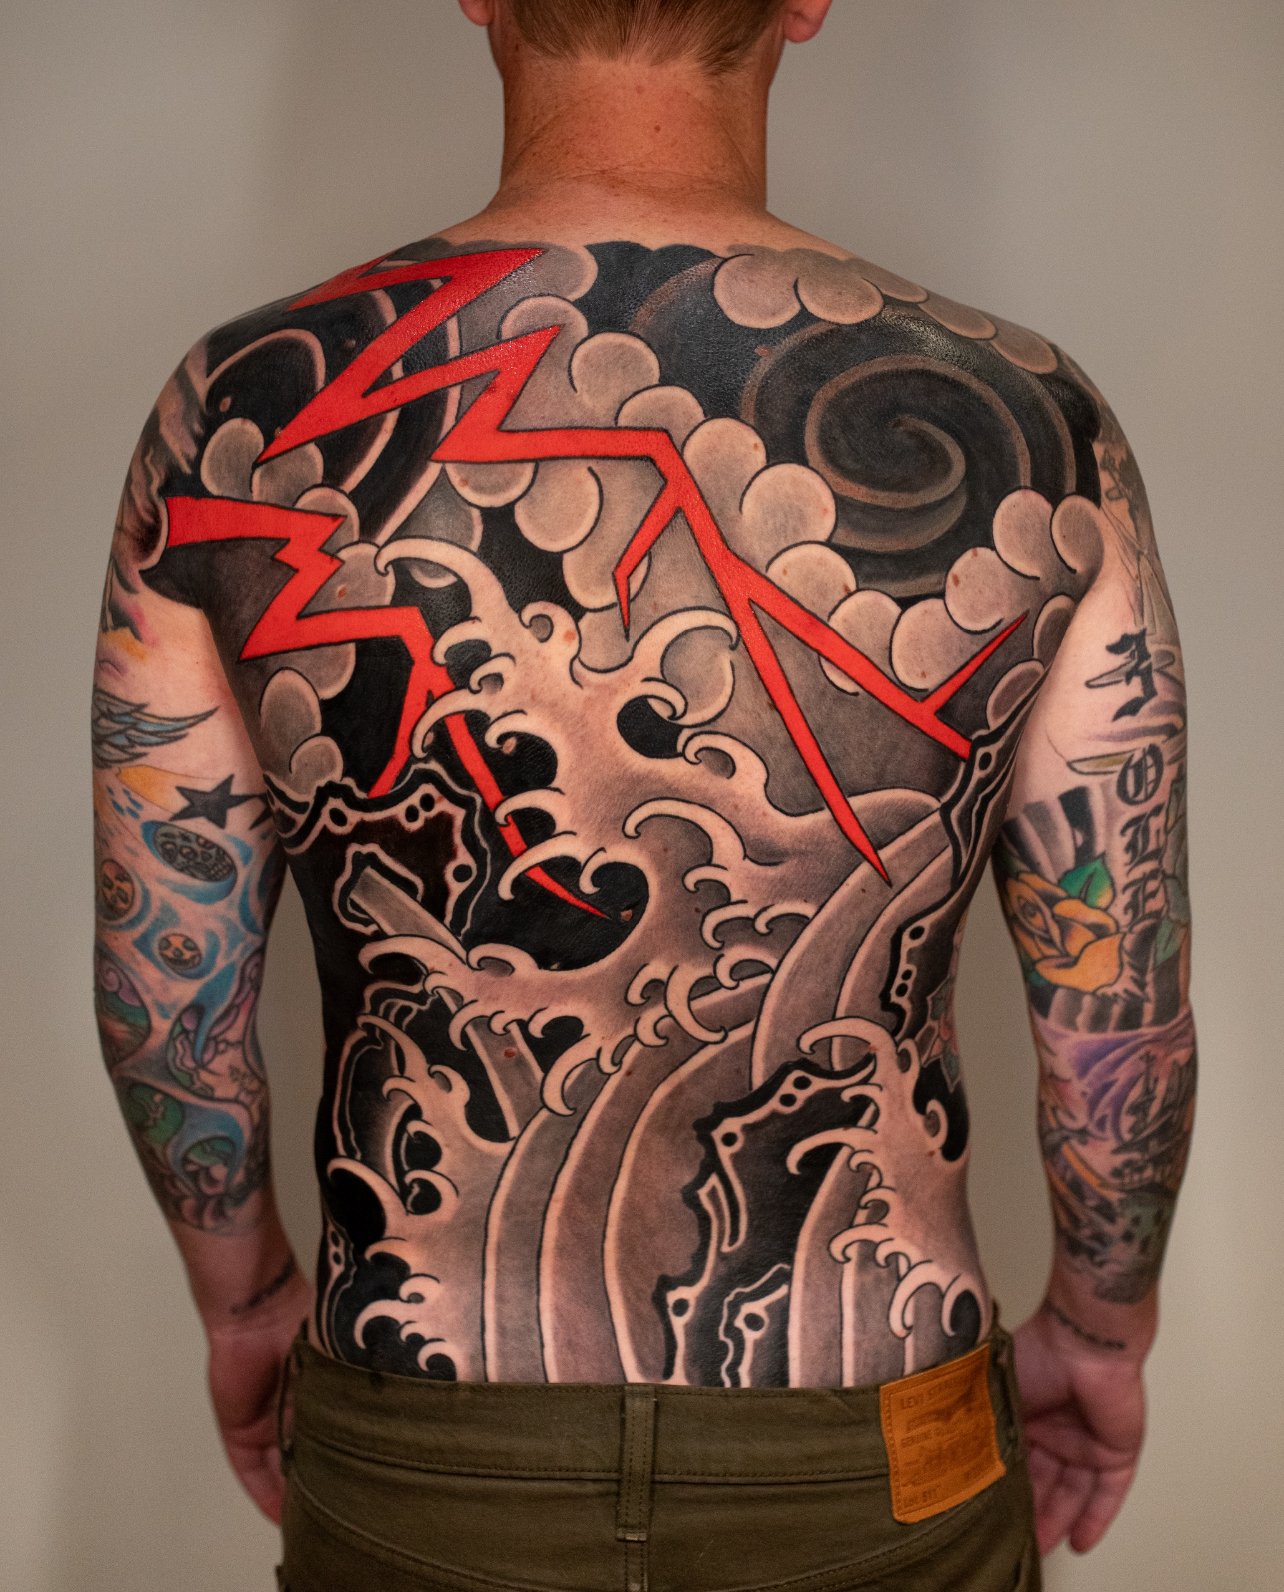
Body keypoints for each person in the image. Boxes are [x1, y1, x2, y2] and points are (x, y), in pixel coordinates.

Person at [90, 2, 1196, 1587]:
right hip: (872, 1443)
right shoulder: (1040, 427)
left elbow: (167, 986)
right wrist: (1101, 1322)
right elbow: (1117, 997)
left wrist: (245, 1298)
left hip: (427, 1444)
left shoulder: (233, 417)